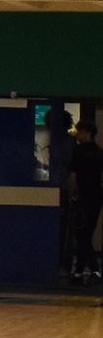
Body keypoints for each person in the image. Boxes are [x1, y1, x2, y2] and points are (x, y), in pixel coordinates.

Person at [67, 117, 103, 283]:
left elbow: (73, 176)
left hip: (83, 196)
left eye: (79, 131)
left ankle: (95, 269)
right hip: (96, 196)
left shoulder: (78, 151)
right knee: (87, 233)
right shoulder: (99, 152)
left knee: (81, 234)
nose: (77, 134)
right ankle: (79, 272)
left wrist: (72, 194)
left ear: (87, 133)